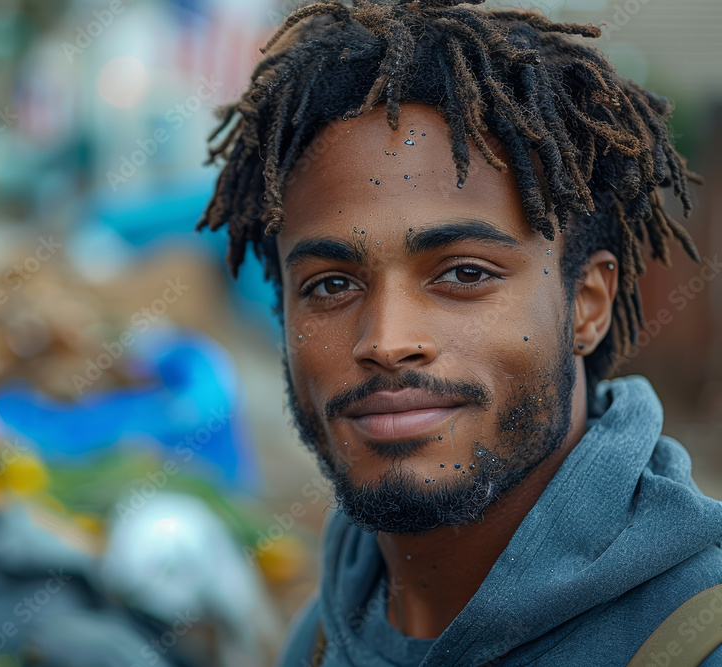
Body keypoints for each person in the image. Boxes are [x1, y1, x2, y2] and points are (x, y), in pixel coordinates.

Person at [196, 1, 722, 664]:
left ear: (587, 304)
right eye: (331, 285)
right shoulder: (326, 632)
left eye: (464, 273)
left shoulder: (695, 639)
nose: (386, 341)